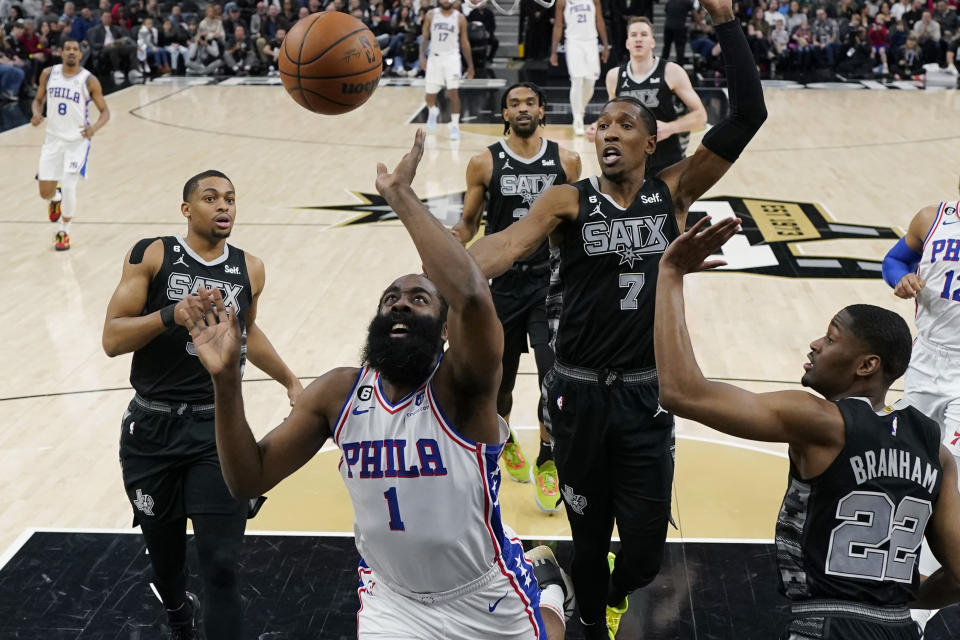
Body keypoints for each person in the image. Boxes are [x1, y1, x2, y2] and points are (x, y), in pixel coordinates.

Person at [182, 131, 573, 640]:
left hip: (483, 593)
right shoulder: (339, 394)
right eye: (391, 298)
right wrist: (226, 383)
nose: (401, 303)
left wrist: (400, 196)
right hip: (393, 600)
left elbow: (474, 296)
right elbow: (247, 481)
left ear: (445, 329)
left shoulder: (462, 388)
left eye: (419, 298)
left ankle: (549, 593)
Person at [467, 0, 767, 633]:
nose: (606, 132)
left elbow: (748, 114)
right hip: (576, 393)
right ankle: (587, 597)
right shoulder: (565, 200)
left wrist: (725, 22)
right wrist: (444, 275)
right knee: (588, 532)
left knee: (645, 552)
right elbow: (504, 246)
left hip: (646, 396)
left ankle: (611, 585)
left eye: (624, 123)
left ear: (650, 140)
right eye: (600, 124)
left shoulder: (674, 192)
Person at [654, 215, 960, 640]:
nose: (816, 344)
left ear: (866, 365)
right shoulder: (936, 450)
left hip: (826, 625)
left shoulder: (820, 420)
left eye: (831, 338)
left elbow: (682, 393)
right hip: (899, 629)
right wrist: (898, 604)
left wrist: (669, 275)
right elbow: (959, 574)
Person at [101, 170, 303, 640]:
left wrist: (290, 379)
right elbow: (112, 338)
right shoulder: (153, 254)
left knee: (220, 566)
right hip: (151, 429)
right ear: (187, 210)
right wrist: (173, 313)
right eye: (210, 198)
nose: (223, 206)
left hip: (217, 431)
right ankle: (177, 613)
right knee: (167, 564)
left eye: (230, 198)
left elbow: (250, 333)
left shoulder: (250, 267)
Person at [451, 82, 582, 513]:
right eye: (514, 104)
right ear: (504, 114)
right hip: (502, 286)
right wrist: (448, 244)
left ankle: (548, 459)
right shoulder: (483, 162)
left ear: (542, 109)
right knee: (499, 383)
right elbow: (470, 223)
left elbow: (574, 224)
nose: (523, 109)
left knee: (554, 377)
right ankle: (503, 435)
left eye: (530, 102)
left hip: (550, 285)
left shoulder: (567, 159)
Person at [881, 197, 960, 633]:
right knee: (911, 465)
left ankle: (918, 609)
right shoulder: (933, 218)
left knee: (951, 479)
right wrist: (901, 279)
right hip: (927, 360)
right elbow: (895, 259)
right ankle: (890, 564)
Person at [589, 17, 707, 177]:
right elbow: (611, 117)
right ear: (627, 43)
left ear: (652, 42)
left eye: (644, 34)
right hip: (628, 162)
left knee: (670, 202)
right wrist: (597, 127)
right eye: (634, 35)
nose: (638, 38)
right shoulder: (614, 76)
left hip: (668, 161)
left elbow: (701, 116)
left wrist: (671, 128)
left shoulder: (671, 71)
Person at [31, 38, 109, 252]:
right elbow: (38, 100)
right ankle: (55, 199)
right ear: (61, 53)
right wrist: (37, 114)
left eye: (75, 49)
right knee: (45, 193)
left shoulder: (88, 80)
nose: (72, 52)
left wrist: (94, 128)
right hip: (52, 139)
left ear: (81, 55)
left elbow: (105, 112)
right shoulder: (48, 74)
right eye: (68, 49)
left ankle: (64, 231)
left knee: (68, 184)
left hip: (77, 141)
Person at [550, 0, 609, 136]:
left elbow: (599, 20)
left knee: (590, 83)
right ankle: (578, 119)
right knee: (577, 80)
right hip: (573, 42)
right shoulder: (562, 2)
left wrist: (605, 45)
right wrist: (554, 51)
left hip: (591, 42)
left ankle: (579, 111)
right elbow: (558, 26)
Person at [420, 0, 474, 140]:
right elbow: (425, 37)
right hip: (434, 58)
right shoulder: (431, 15)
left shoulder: (460, 17)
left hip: (452, 59)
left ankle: (454, 125)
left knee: (453, 93)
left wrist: (470, 65)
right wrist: (421, 56)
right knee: (429, 96)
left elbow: (465, 42)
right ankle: (433, 111)